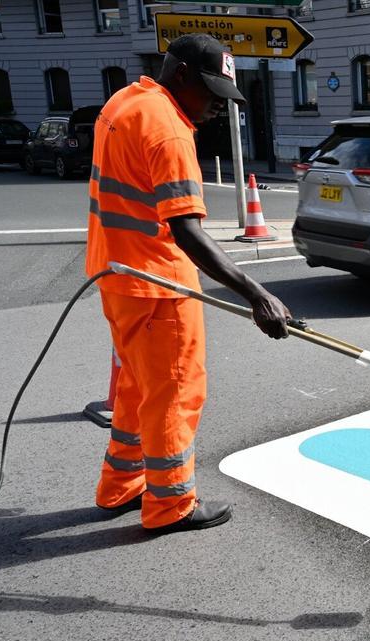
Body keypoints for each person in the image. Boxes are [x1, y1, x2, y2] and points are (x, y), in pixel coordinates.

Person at [85, 33, 292, 534]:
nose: (217, 107)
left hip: (117, 274)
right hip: (158, 285)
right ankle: (171, 505)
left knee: (138, 388)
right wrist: (256, 293)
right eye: (211, 93)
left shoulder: (125, 101)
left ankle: (120, 487)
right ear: (179, 75)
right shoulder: (171, 131)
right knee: (175, 394)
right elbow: (187, 231)